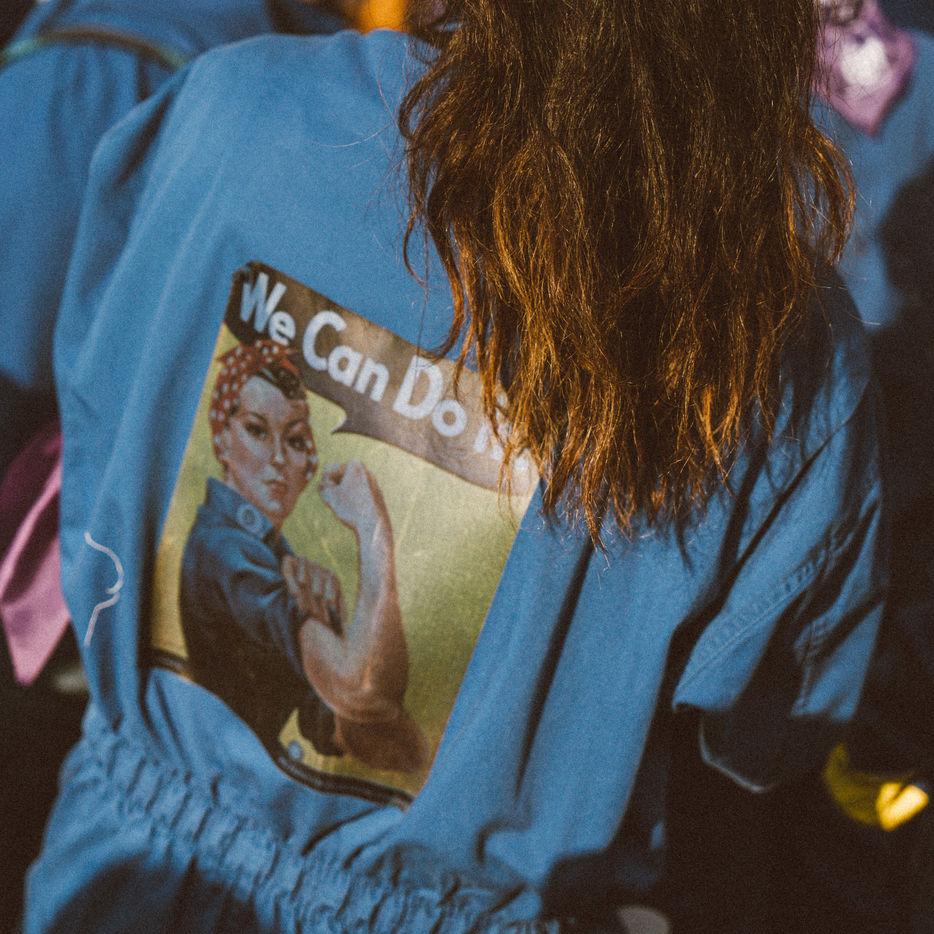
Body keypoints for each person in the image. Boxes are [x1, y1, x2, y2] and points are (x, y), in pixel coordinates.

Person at [22, 1, 885, 930]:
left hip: (123, 879)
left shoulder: (235, 112)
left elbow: (95, 403)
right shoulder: (787, 354)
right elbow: (768, 734)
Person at [180, 339, 426, 772]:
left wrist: (331, 630)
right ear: (222, 438)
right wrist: (373, 531)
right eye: (257, 430)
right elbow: (363, 693)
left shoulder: (271, 555)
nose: (279, 459)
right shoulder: (225, 550)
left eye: (294, 440)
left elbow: (397, 749)